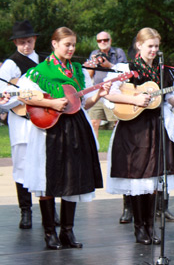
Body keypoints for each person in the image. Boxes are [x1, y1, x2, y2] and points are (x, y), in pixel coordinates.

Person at [19, 27, 110, 250]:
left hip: (76, 127)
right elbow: (24, 94)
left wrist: (98, 94)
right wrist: (50, 103)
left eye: (73, 44)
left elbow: (84, 104)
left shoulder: (78, 71)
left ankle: (67, 232)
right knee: (48, 177)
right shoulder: (39, 71)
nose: (71, 48)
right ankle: (49, 234)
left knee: (73, 178)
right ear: (54, 44)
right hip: (50, 128)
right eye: (66, 44)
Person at [104, 27, 174, 245]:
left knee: (153, 181)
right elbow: (108, 93)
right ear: (139, 46)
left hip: (156, 125)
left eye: (156, 46)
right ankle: (139, 228)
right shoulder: (126, 68)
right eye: (149, 46)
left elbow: (168, 103)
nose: (153, 50)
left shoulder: (164, 72)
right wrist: (134, 100)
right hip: (134, 128)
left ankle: (150, 226)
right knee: (137, 179)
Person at [0, 20, 59, 230]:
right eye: (22, 42)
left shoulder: (48, 61)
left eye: (29, 41)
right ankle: (26, 211)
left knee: (47, 163)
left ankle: (51, 210)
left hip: (46, 119)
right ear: (15, 42)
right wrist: (25, 97)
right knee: (22, 166)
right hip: (22, 122)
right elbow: (3, 97)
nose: (26, 45)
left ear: (35, 40)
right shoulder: (10, 65)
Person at [87, 31, 127, 136]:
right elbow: (89, 75)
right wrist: (92, 64)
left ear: (110, 40)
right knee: (94, 122)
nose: (103, 42)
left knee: (117, 122)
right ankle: (95, 149)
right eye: (100, 40)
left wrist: (109, 65)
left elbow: (124, 72)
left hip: (114, 92)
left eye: (105, 40)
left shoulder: (118, 53)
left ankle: (118, 147)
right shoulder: (94, 54)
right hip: (97, 92)